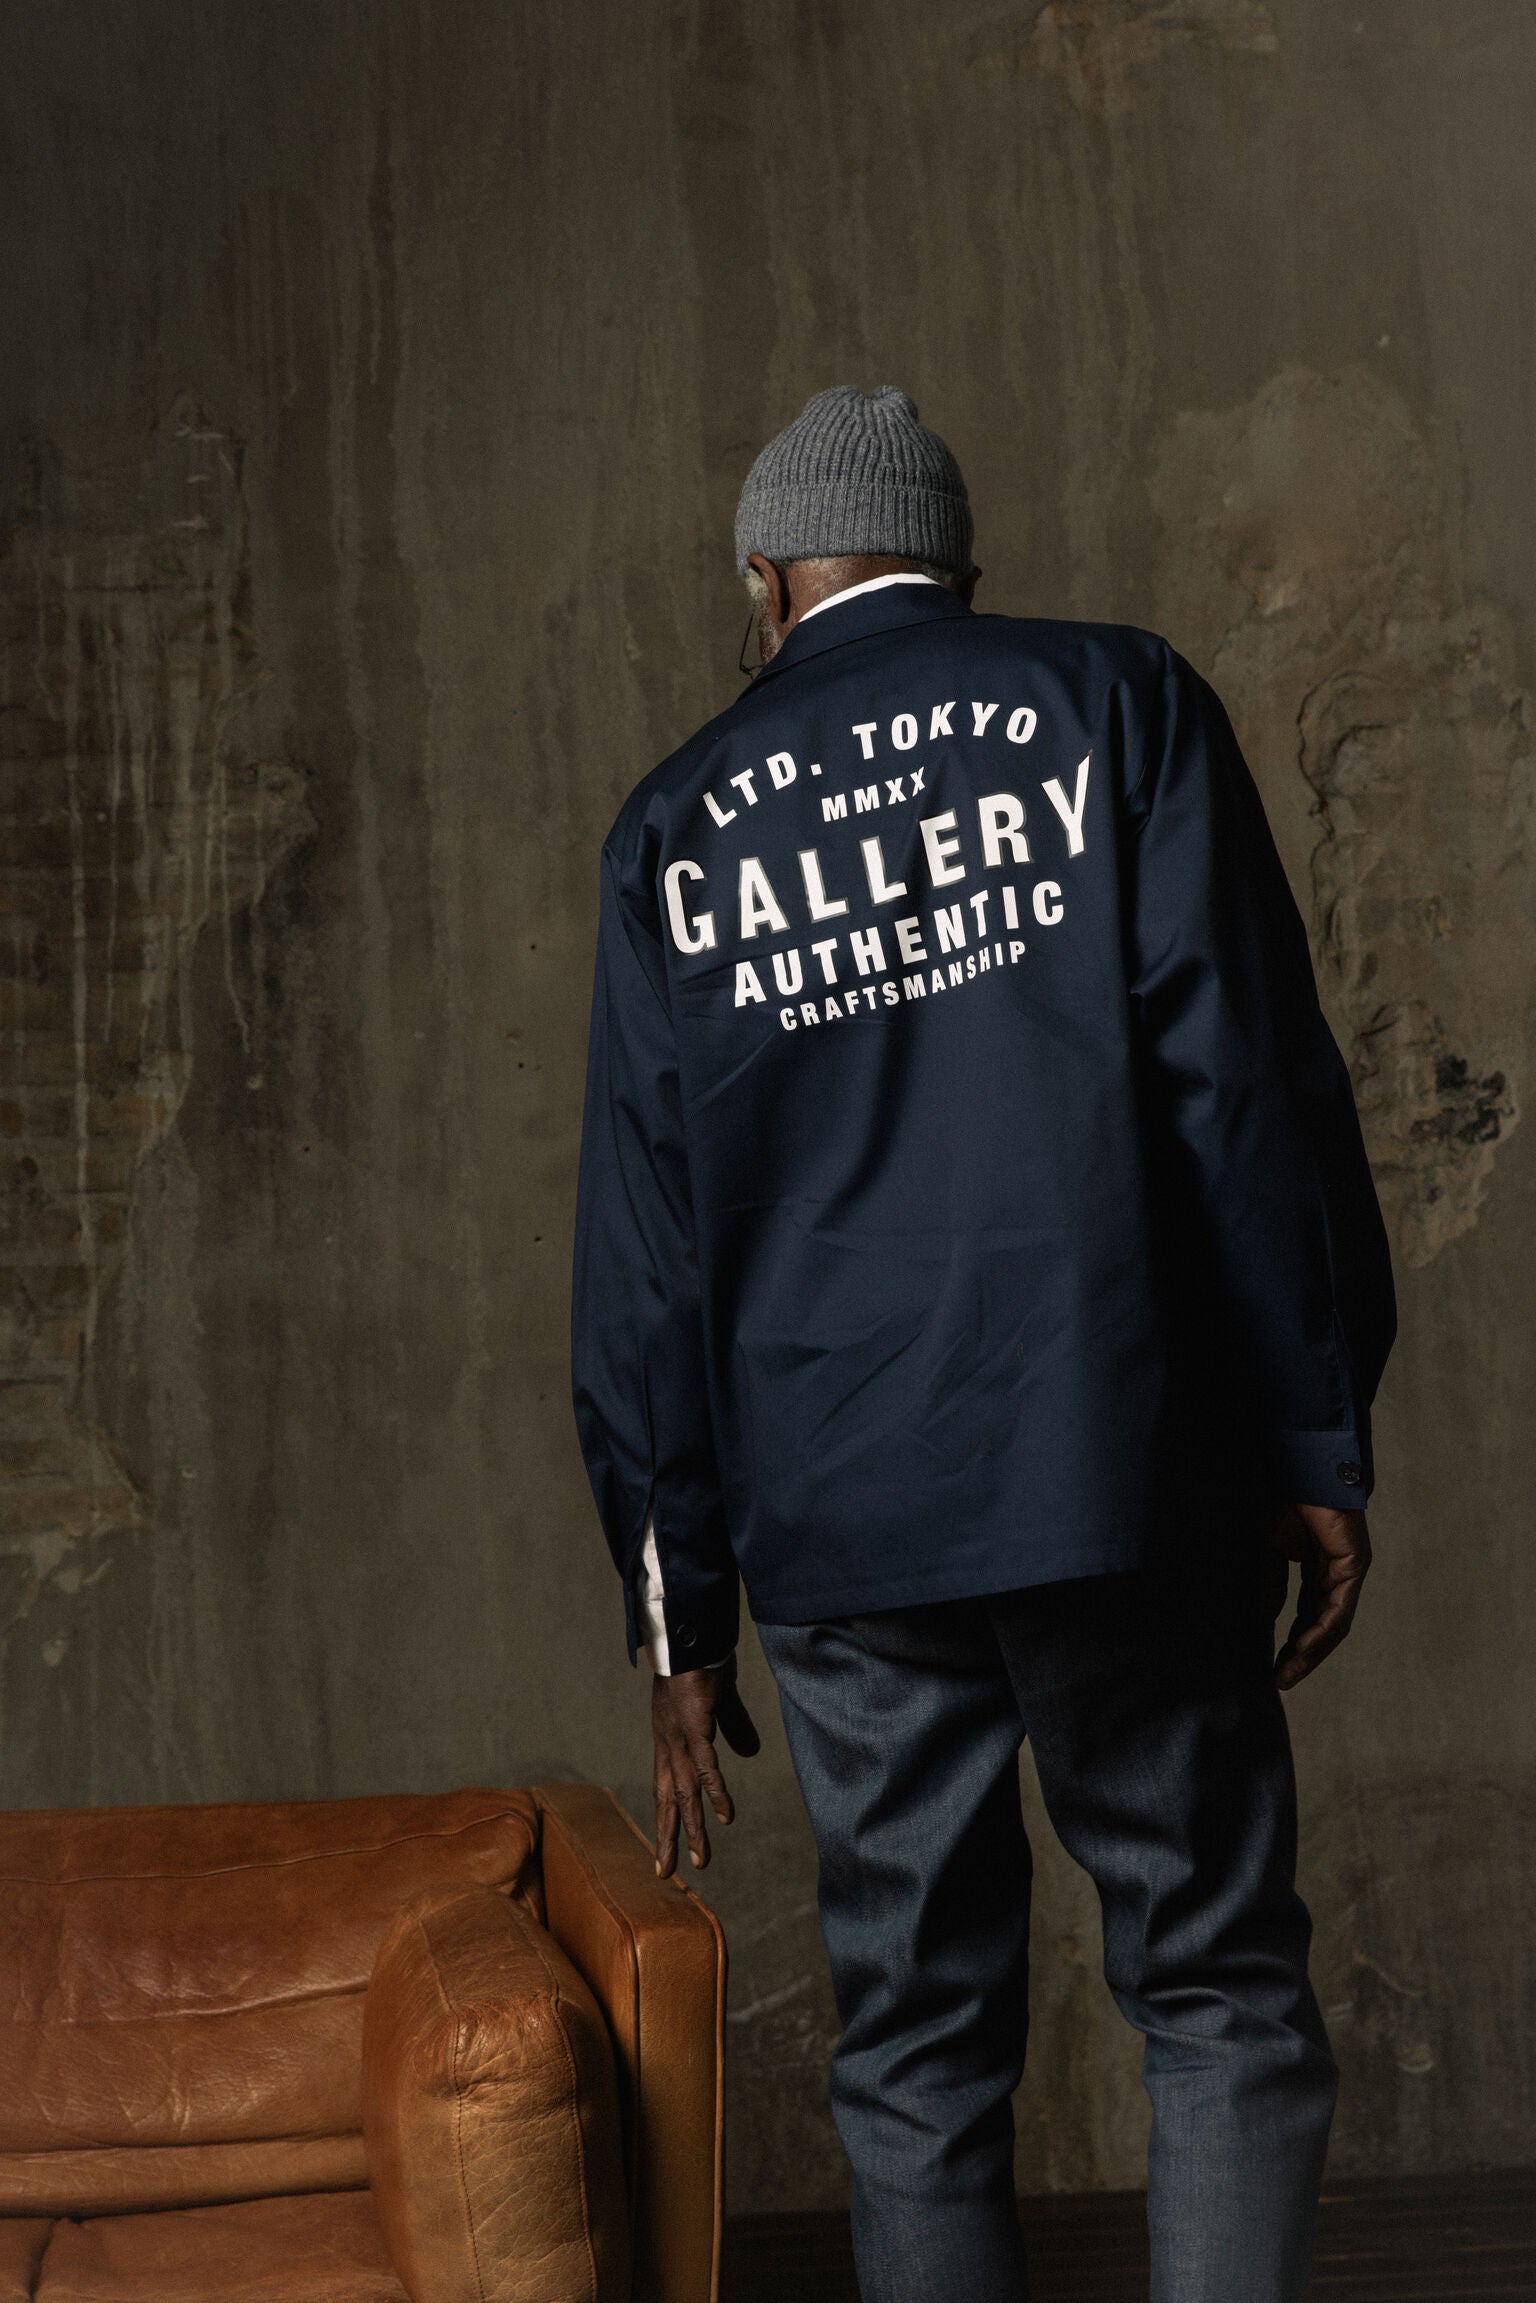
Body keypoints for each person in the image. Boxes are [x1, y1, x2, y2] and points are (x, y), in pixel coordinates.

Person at [571, 385, 1395, 2303]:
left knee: (918, 2053)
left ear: (768, 580)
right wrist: (1310, 1433)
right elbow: (1244, 1096)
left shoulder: (677, 824)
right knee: (1216, 1989)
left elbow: (646, 1255)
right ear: (958, 567)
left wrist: (683, 1615)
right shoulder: (1115, 702)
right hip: (1124, 1468)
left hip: (843, 1523)